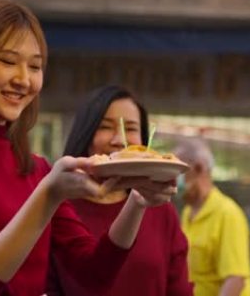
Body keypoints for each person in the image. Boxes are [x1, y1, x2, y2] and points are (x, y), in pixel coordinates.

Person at [0, 0, 176, 296]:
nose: (23, 80)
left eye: (35, 66)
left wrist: (137, 201)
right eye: (7, 61)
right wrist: (47, 196)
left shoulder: (37, 169)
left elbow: (93, 275)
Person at [48, 85, 193, 296]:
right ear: (85, 135)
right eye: (105, 127)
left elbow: (179, 290)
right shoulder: (59, 209)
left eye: (131, 128)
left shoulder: (160, 208)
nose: (118, 140)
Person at [174, 138, 250, 296]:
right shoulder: (187, 213)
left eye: (178, 173)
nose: (174, 181)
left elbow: (235, 280)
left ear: (198, 168)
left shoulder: (227, 213)